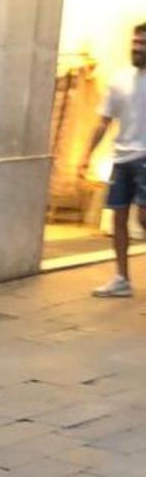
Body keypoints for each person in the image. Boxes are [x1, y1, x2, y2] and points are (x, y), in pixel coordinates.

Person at [81, 22, 146, 298]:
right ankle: (121, 278)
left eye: (142, 44)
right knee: (118, 217)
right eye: (134, 43)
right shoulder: (120, 79)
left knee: (144, 218)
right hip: (122, 159)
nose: (136, 48)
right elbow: (103, 121)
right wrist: (86, 154)